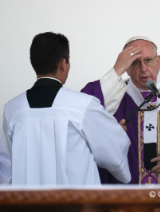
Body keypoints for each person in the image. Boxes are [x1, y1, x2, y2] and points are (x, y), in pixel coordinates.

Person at [3, 32, 131, 185]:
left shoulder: (12, 110)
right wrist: (115, 131)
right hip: (75, 203)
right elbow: (112, 152)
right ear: (63, 63)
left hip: (28, 204)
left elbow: (12, 160)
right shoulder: (83, 105)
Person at [81, 36, 160, 184]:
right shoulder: (111, 98)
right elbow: (82, 112)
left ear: (159, 61)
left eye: (148, 60)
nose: (143, 69)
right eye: (135, 63)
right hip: (124, 199)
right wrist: (116, 69)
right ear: (127, 69)